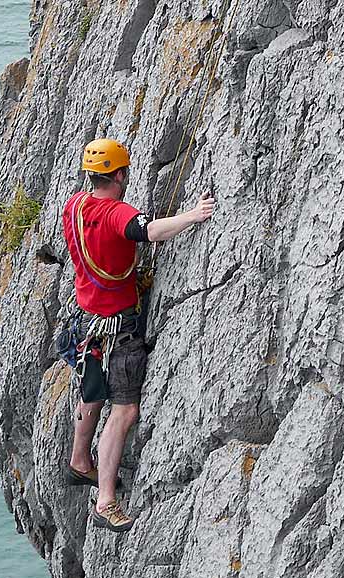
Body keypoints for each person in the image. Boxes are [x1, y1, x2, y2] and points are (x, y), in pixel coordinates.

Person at [61, 138, 215, 532]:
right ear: (120, 174)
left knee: (91, 391)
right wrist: (192, 216)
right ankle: (106, 500)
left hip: (85, 322)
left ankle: (81, 460)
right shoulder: (116, 214)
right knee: (124, 410)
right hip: (118, 327)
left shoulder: (73, 207)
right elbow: (149, 231)